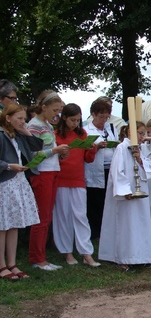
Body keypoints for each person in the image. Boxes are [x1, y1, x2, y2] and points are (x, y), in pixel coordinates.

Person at [98, 122, 151, 271]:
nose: (142, 137)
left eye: (144, 133)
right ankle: (123, 257)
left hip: (140, 190)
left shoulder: (141, 149)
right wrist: (125, 190)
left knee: (140, 224)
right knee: (126, 225)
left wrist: (140, 160)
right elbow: (117, 171)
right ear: (130, 132)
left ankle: (141, 256)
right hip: (126, 193)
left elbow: (150, 168)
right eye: (140, 133)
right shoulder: (121, 148)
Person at [27, 90, 69, 271]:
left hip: (52, 171)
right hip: (41, 173)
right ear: (43, 107)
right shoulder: (34, 126)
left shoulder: (47, 125)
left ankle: (41, 256)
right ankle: (37, 258)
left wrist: (60, 154)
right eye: (54, 110)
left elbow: (49, 150)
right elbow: (30, 155)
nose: (56, 115)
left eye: (58, 111)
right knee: (42, 216)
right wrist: (54, 151)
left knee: (47, 215)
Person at [53, 104, 100, 267]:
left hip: (78, 179)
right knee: (63, 216)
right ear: (64, 118)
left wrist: (91, 149)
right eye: (72, 120)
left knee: (80, 216)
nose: (75, 123)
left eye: (78, 120)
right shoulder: (56, 134)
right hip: (61, 179)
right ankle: (67, 252)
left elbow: (88, 158)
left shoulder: (82, 133)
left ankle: (86, 253)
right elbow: (53, 157)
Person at [0, 104, 42, 280]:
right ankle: (1, 265)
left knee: (14, 224)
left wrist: (26, 130)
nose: (22, 122)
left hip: (17, 183)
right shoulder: (1, 135)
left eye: (24, 118)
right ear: (8, 118)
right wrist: (9, 166)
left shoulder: (18, 135)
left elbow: (37, 145)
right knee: (3, 226)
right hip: (5, 183)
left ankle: (12, 263)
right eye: (19, 118)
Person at [84, 98, 119, 239]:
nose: (103, 120)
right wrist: (96, 147)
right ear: (93, 114)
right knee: (95, 200)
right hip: (94, 169)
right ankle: (95, 232)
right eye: (101, 116)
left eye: (106, 117)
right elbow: (84, 149)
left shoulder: (111, 128)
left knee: (108, 200)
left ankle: (107, 231)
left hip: (109, 167)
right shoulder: (86, 130)